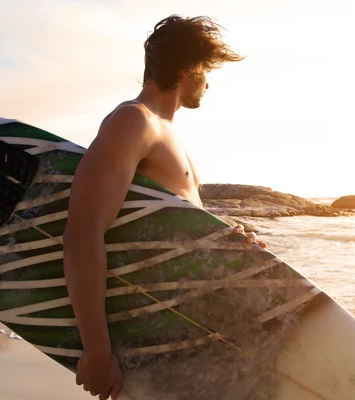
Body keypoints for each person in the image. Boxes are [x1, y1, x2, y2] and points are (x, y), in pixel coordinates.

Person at [63, 15, 266, 400]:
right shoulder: (134, 121)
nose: (209, 83)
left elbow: (165, 229)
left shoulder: (168, 134)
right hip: (150, 335)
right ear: (189, 68)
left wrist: (227, 245)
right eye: (207, 70)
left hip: (186, 332)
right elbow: (82, 232)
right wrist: (98, 351)